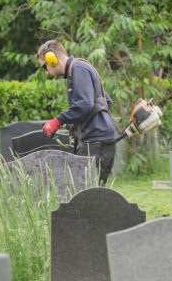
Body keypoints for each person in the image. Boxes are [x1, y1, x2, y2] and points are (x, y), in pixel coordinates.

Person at [37, 40, 116, 186]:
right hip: (99, 138)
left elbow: (84, 104)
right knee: (93, 191)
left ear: (52, 59)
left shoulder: (78, 69)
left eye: (44, 66)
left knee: (83, 192)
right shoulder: (77, 70)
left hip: (96, 140)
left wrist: (58, 121)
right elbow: (106, 102)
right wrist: (78, 124)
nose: (46, 72)